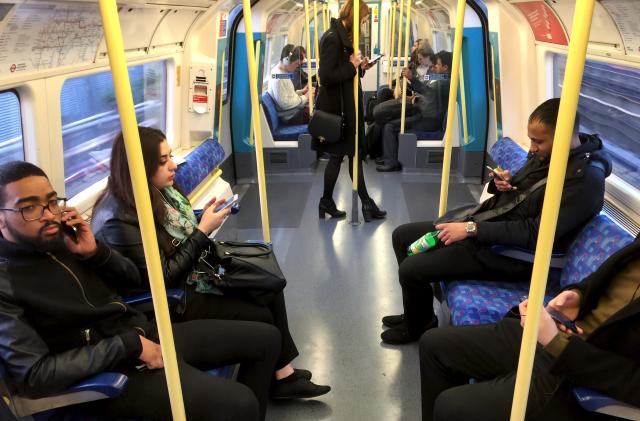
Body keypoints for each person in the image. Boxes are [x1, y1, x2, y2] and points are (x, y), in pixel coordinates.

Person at [0, 161, 280, 421]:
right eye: (29, 208)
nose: (49, 215)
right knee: (240, 403)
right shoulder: (6, 281)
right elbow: (34, 374)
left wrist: (96, 253)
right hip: (108, 371)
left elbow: (134, 280)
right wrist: (127, 346)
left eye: (52, 202)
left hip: (139, 333)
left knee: (266, 338)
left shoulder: (65, 240)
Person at [92, 127, 330, 399]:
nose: (173, 166)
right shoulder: (119, 221)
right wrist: (202, 231)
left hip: (192, 275)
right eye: (162, 161)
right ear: (139, 166)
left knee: (269, 285)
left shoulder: (156, 194)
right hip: (170, 301)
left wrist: (201, 219)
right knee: (261, 314)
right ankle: (261, 392)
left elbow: (174, 236)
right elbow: (161, 278)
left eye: (170, 156)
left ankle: (282, 374)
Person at [381, 98, 611, 345]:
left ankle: (417, 327)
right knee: (402, 235)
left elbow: (536, 233)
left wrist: (471, 229)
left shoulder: (584, 181)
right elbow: (521, 195)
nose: (531, 148)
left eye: (538, 141)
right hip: (493, 230)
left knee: (411, 269)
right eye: (531, 140)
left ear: (566, 136)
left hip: (518, 255)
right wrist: (501, 184)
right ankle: (418, 315)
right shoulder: (548, 156)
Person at [420, 233, 640, 420]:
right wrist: (578, 295)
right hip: (563, 334)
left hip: (585, 375)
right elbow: (607, 280)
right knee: (434, 344)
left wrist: (557, 345)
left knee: (449, 406)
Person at [313, 0, 387, 222]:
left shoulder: (342, 38)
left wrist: (359, 68)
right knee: (345, 154)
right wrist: (351, 66)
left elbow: (344, 73)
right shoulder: (333, 38)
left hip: (346, 106)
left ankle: (340, 201)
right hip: (337, 110)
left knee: (346, 154)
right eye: (363, 20)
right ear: (354, 17)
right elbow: (325, 77)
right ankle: (363, 203)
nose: (364, 25)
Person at [375, 50, 450, 172]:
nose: (434, 67)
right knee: (389, 119)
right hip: (423, 113)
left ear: (445, 68)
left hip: (429, 121)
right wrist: (416, 97)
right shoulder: (438, 77)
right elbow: (429, 94)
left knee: (390, 126)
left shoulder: (445, 82)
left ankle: (391, 162)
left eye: (438, 65)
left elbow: (428, 91)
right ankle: (388, 155)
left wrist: (412, 78)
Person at [268, 44, 310, 125]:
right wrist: (305, 97)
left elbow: (287, 94)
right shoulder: (278, 78)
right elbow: (285, 103)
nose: (297, 67)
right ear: (287, 60)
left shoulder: (281, 73)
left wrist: (302, 91)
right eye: (296, 64)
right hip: (289, 117)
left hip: (292, 112)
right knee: (317, 117)